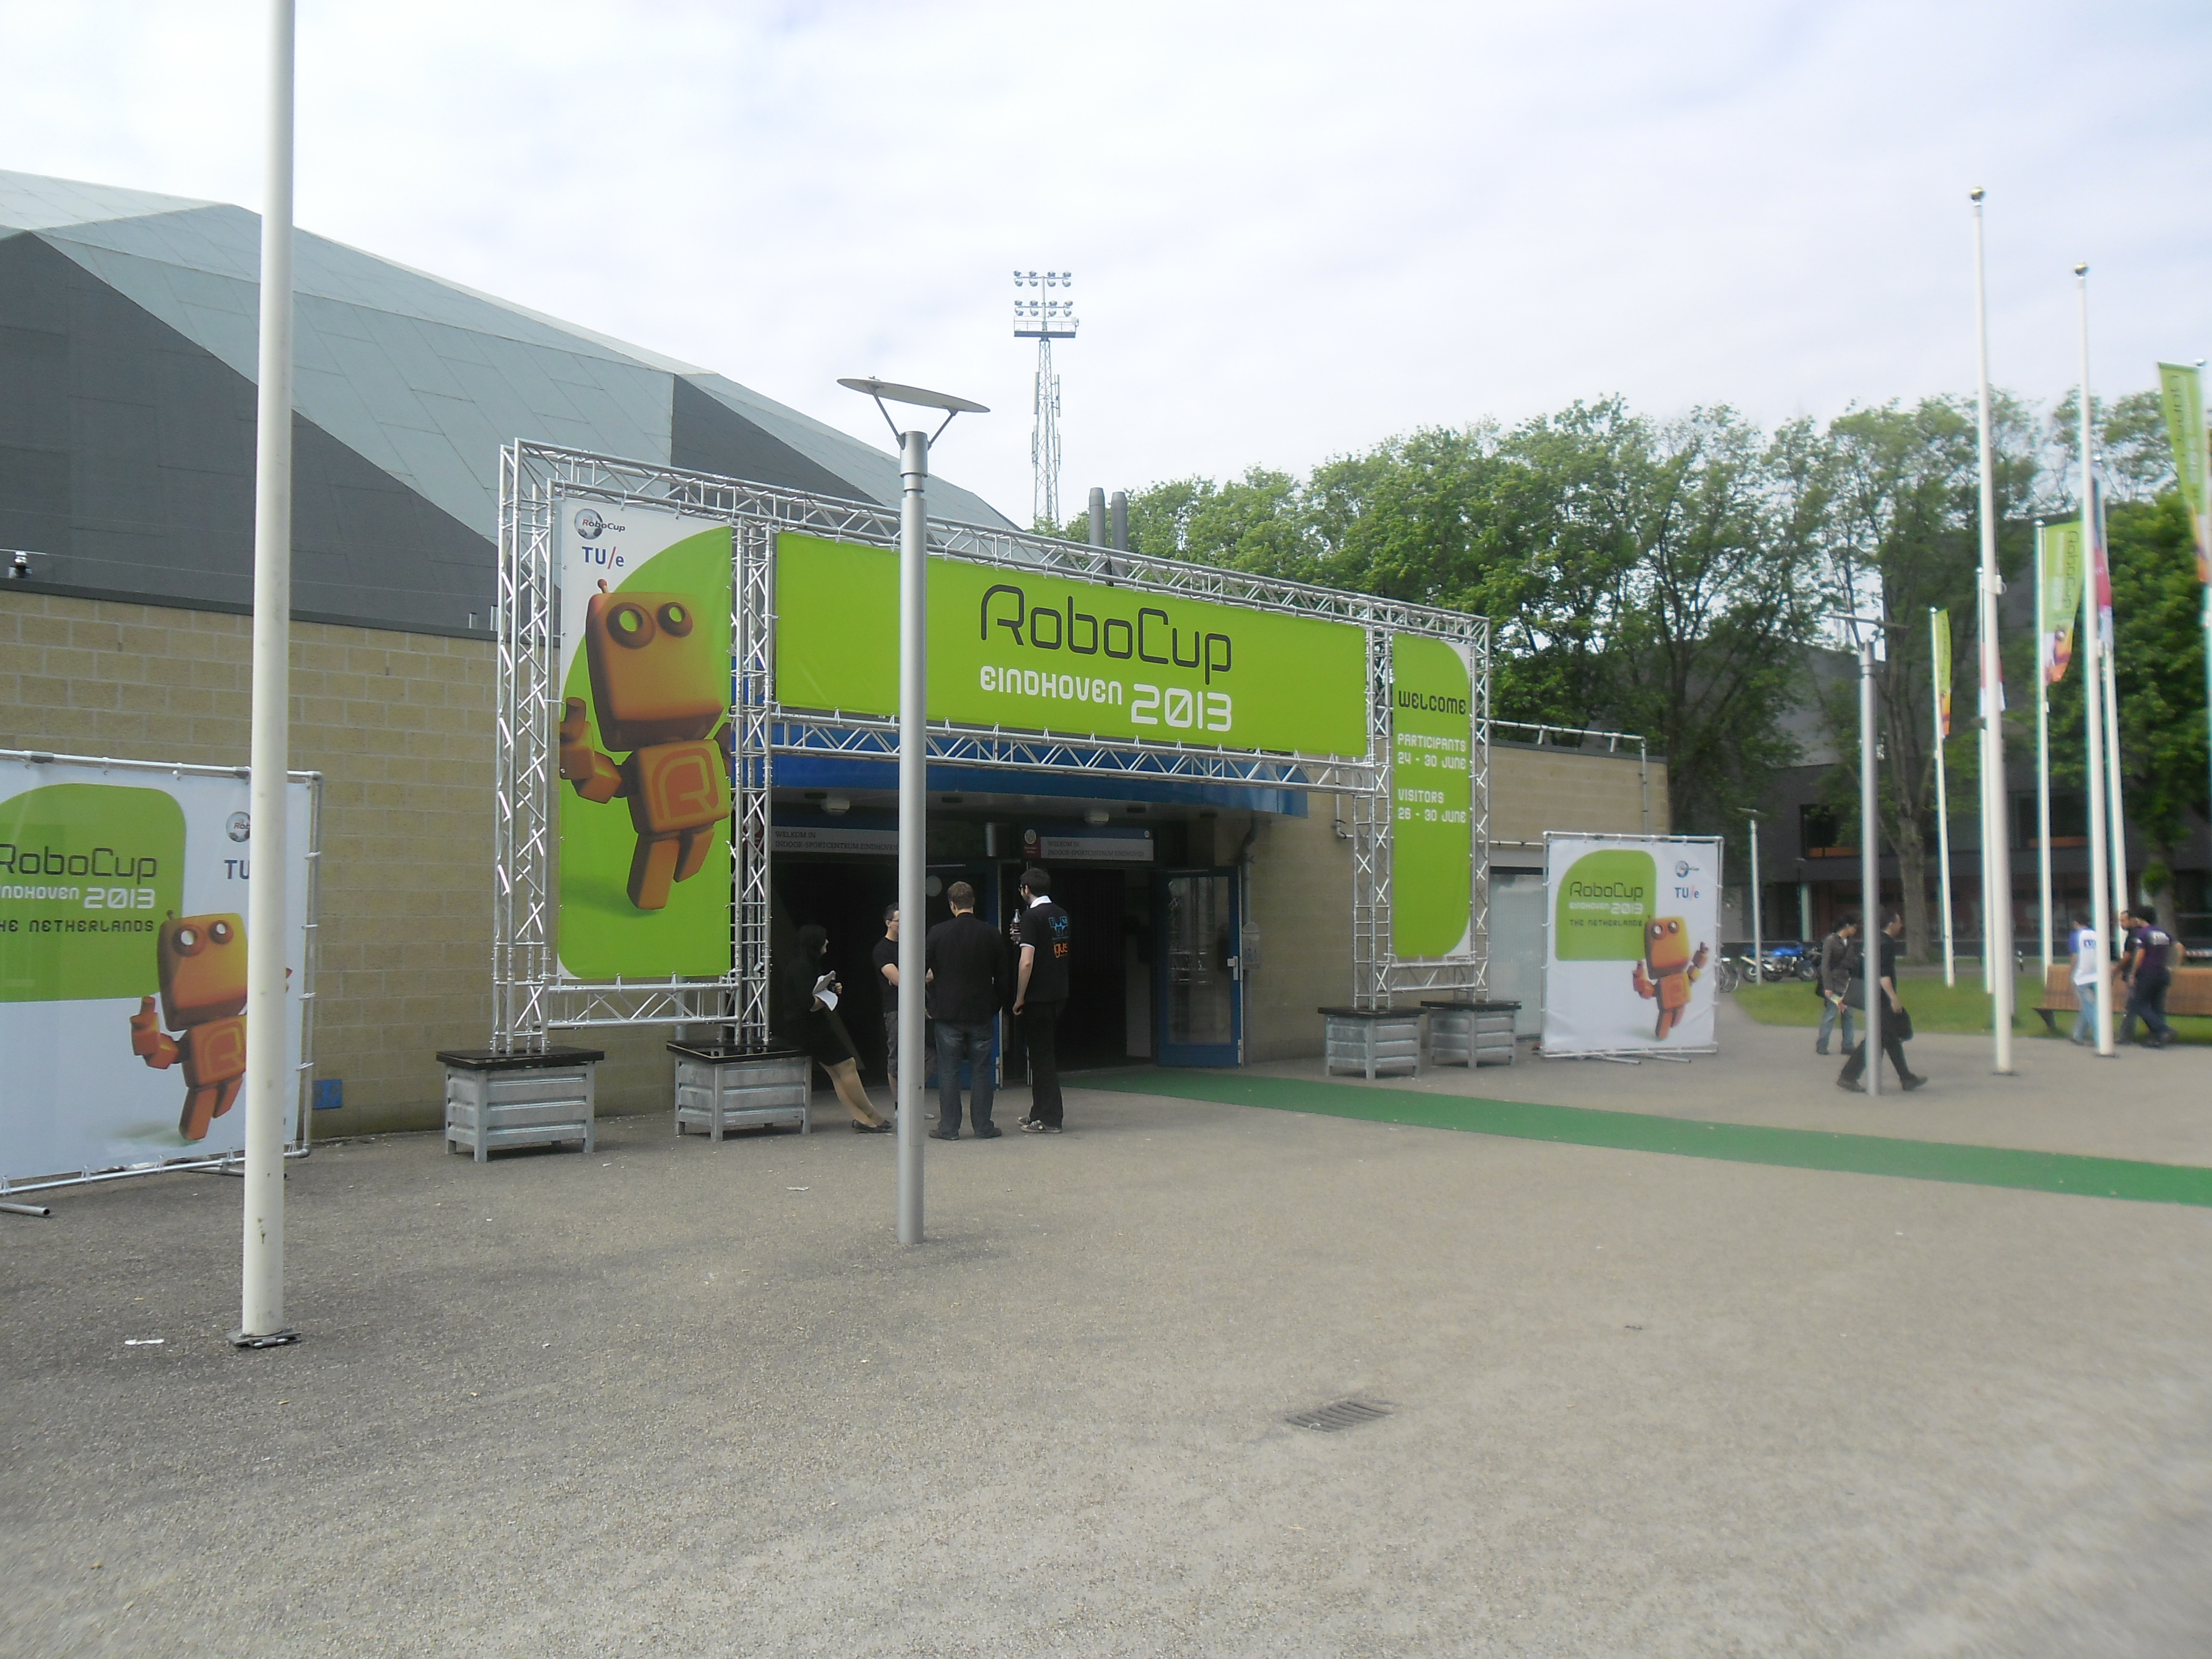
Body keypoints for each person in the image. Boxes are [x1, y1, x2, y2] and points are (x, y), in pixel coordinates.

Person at [778, 924, 893, 1132]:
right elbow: (809, 1003)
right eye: (824, 939)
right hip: (810, 1027)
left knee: (836, 1072)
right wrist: (828, 995)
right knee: (847, 1065)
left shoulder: (802, 964)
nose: (827, 942)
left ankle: (863, 1117)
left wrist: (829, 989)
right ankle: (870, 1114)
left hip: (805, 1026)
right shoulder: (801, 967)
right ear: (815, 943)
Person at [925, 881, 1010, 1139]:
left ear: (952, 905)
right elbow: (1003, 976)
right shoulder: (991, 934)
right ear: (973, 902)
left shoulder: (938, 933)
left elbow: (920, 970)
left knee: (949, 1071)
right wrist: (997, 1004)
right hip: (981, 1011)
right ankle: (983, 1127)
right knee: (982, 1071)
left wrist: (930, 1003)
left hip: (947, 1012)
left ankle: (949, 1128)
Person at [1837, 909, 1925, 1092]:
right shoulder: (1886, 944)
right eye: (1899, 922)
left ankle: (1906, 1078)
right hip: (1881, 997)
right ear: (1891, 925)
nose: (1901, 925)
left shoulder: (1873, 941)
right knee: (1878, 1037)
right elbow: (1883, 974)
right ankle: (1848, 1076)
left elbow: (1861, 968)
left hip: (1871, 994)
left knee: (1889, 1037)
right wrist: (1894, 998)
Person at [1012, 865, 1072, 1134]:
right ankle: (1038, 1112)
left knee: (1042, 1058)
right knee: (1041, 1055)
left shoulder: (1031, 917)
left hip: (1038, 995)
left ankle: (1050, 1118)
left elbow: (1027, 962)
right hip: (1059, 992)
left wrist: (1020, 997)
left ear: (1026, 889)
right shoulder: (1061, 914)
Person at [2116, 907, 2176, 1049]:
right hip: (2162, 972)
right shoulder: (2162, 933)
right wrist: (2176, 967)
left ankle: (2164, 1029)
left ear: (2139, 919)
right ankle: (2158, 1038)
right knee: (2157, 1007)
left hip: (2147, 972)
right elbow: (2180, 947)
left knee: (2138, 1004)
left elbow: (2140, 954)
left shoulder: (2143, 933)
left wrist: (2133, 973)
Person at [1814, 914, 1860, 1057]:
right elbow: (1825, 965)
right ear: (1847, 926)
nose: (1855, 930)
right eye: (1854, 927)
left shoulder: (1851, 942)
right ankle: (1822, 1044)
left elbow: (1852, 963)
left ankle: (1848, 1045)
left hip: (1846, 982)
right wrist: (1827, 986)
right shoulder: (1831, 940)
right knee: (1831, 1015)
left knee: (1848, 1015)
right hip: (1833, 982)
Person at [872, 904, 902, 1095]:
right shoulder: (882, 949)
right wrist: (922, 978)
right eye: (900, 921)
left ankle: (912, 1097)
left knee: (929, 1054)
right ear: (889, 923)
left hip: (920, 1005)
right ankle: (899, 1103)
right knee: (897, 1055)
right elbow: (899, 980)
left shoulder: (910, 945)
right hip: (895, 1008)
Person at [2067, 913, 2103, 1046]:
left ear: (2076, 923)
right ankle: (2078, 1035)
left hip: (2082, 977)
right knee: (2088, 1005)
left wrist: (2071, 973)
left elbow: (2075, 956)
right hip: (2097, 975)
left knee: (2090, 1007)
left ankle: (2101, 1038)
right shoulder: (2096, 935)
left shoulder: (2076, 936)